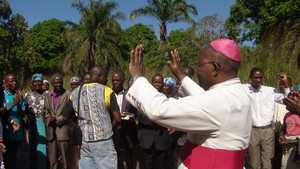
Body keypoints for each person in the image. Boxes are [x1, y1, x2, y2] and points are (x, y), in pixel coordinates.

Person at [126, 39, 252, 169]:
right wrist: (181, 75)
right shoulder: (238, 93)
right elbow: (204, 98)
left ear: (214, 67)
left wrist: (137, 78)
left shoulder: (218, 102)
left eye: (199, 65)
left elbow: (160, 110)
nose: (197, 71)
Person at [61, 66, 121, 169]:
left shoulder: (75, 92)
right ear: (100, 76)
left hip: (84, 141)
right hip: (103, 140)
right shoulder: (106, 91)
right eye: (105, 77)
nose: (107, 80)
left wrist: (77, 125)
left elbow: (65, 116)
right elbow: (117, 119)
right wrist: (109, 130)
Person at [245, 67, 291, 169]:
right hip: (252, 131)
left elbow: (287, 98)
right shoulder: (244, 90)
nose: (258, 80)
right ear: (250, 78)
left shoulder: (270, 91)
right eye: (255, 77)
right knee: (253, 164)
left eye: (260, 77)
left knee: (267, 163)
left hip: (267, 131)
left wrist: (285, 82)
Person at [111, 70, 140, 169]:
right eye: (113, 80)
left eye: (118, 80)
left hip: (127, 131)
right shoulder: (108, 94)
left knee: (127, 157)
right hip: (113, 131)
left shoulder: (129, 94)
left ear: (123, 80)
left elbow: (136, 111)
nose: (115, 82)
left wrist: (133, 118)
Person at [44, 74, 71, 169]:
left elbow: (69, 112)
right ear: (52, 83)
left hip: (62, 130)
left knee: (66, 159)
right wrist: (48, 117)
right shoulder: (47, 95)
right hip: (51, 131)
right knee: (52, 160)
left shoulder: (68, 94)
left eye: (60, 82)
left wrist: (56, 119)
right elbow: (46, 110)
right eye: (56, 82)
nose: (58, 84)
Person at [2, 73, 25, 169]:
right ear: (5, 83)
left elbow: (23, 114)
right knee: (8, 160)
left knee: (18, 160)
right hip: (6, 132)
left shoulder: (18, 95)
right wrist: (14, 103)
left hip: (18, 132)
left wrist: (19, 103)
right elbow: (2, 113)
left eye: (15, 80)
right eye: (11, 81)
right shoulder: (2, 95)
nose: (14, 83)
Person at [25, 73, 47, 169]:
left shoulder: (47, 94)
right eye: (35, 81)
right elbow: (24, 109)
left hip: (42, 122)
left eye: (39, 81)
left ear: (42, 82)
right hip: (31, 122)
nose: (37, 83)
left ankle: (42, 166)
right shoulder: (27, 95)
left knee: (42, 146)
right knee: (31, 146)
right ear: (32, 83)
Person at [278, 90, 300, 169]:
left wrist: (290, 141)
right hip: (286, 146)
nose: (293, 99)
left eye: (296, 97)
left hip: (296, 147)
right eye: (291, 96)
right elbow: (283, 128)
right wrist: (282, 136)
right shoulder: (287, 114)